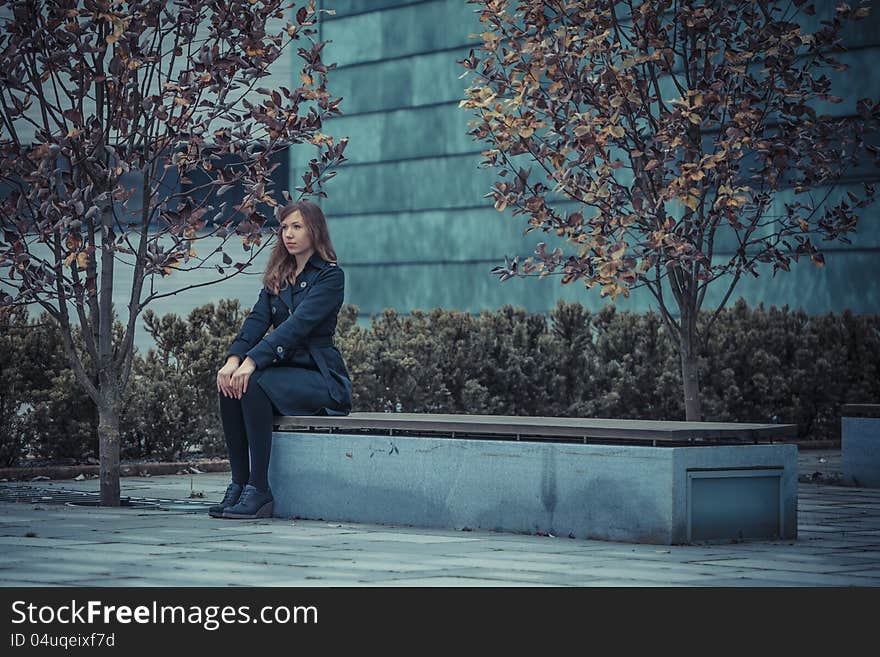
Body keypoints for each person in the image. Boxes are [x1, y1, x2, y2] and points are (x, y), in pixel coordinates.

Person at [211, 199, 353, 520]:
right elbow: (257, 321)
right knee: (230, 384)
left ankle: (259, 489)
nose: (288, 234)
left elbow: (295, 327)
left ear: (314, 231)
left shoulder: (330, 277)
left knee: (254, 383)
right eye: (285, 227)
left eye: (297, 227)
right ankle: (239, 483)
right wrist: (234, 359)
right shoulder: (280, 274)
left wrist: (254, 362)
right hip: (286, 375)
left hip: (320, 378)